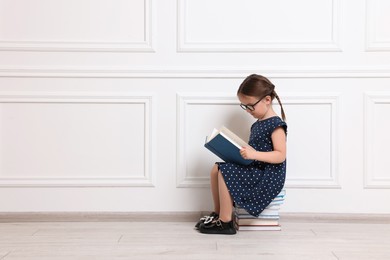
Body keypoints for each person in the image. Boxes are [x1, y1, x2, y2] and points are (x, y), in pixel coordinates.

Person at [196, 74, 287, 235]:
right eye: (244, 106)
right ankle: (218, 213)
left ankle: (225, 222)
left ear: (267, 100)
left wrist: (254, 154)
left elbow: (280, 155)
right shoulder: (257, 124)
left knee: (225, 172)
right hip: (257, 169)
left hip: (268, 175)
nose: (248, 111)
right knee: (216, 169)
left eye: (250, 106)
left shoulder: (276, 125)